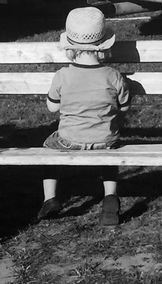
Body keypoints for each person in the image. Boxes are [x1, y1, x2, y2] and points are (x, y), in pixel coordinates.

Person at [37, 6, 130, 226]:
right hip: (104, 140)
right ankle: (110, 197)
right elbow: (124, 108)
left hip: (69, 140)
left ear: (70, 47)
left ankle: (50, 198)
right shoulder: (113, 75)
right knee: (110, 154)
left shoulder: (63, 75)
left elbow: (52, 108)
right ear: (103, 44)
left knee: (48, 149)